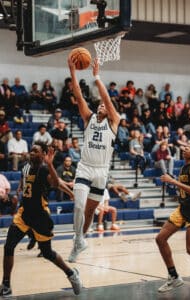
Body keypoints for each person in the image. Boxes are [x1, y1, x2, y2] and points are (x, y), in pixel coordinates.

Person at [0, 142, 82, 297]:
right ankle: (6, 285)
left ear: (43, 154)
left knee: (47, 253)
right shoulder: (25, 167)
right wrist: (19, 190)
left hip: (40, 217)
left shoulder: (44, 170)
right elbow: (24, 182)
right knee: (8, 246)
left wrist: (69, 191)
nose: (32, 153)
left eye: (35, 151)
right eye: (31, 150)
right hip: (23, 215)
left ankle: (71, 274)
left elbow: (56, 182)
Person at [67, 55, 120, 263]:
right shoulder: (89, 118)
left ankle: (79, 240)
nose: (102, 106)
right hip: (85, 168)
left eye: (105, 105)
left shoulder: (114, 122)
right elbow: (79, 96)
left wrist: (97, 77)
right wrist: (72, 72)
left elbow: (107, 99)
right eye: (100, 105)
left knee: (89, 212)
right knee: (79, 205)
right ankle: (79, 239)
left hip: (102, 171)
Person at [156, 142, 190, 293]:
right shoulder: (184, 167)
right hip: (182, 209)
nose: (186, 148)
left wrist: (173, 181)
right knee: (160, 239)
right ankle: (174, 276)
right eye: (186, 146)